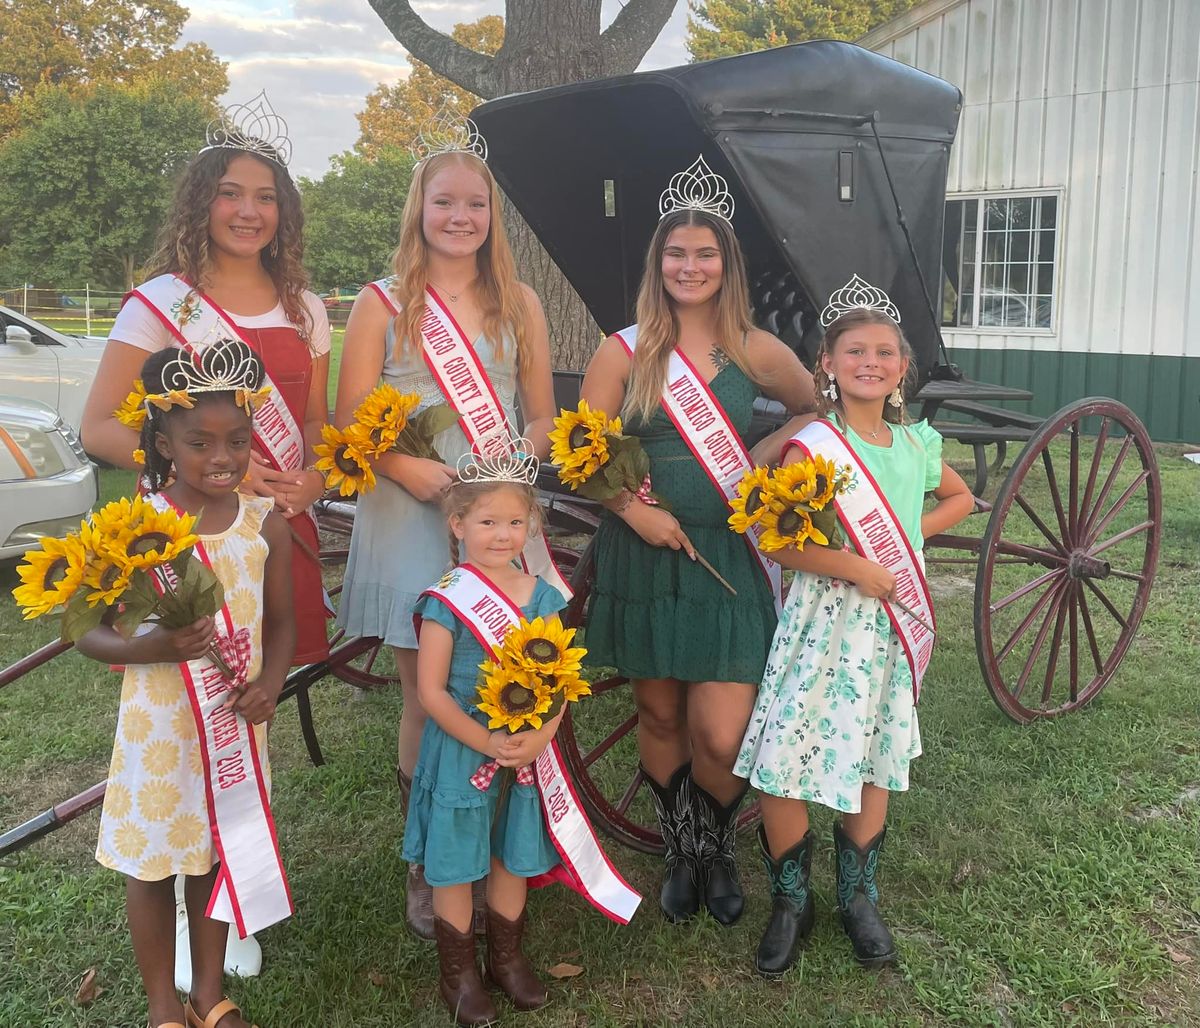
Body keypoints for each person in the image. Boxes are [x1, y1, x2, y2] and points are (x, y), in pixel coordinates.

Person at [333, 122, 560, 938]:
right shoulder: (380, 300)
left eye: (476, 204)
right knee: (426, 697)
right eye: (445, 201)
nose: (460, 216)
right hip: (411, 512)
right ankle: (430, 865)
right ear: (418, 208)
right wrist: (406, 468)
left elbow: (542, 417)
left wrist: (513, 463)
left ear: (492, 216)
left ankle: (505, 839)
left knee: (509, 676)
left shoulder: (520, 303)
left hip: (496, 518)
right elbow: (351, 413)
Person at [580, 155, 816, 926]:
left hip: (729, 555)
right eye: (677, 254)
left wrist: (767, 449)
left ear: (726, 263)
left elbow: (820, 410)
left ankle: (709, 838)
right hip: (646, 553)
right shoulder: (624, 350)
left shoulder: (756, 348)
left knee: (720, 733)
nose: (691, 266)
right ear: (659, 264)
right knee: (658, 716)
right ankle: (692, 853)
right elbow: (581, 451)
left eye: (705, 253)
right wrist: (630, 510)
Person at [734, 282, 974, 976]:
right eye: (855, 351)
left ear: (903, 367)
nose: (871, 361)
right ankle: (790, 900)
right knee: (784, 754)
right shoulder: (812, 445)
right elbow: (777, 540)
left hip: (888, 622)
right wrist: (851, 562)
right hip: (820, 619)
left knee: (876, 751)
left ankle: (857, 896)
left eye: (885, 352)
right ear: (827, 365)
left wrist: (908, 541)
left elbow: (959, 498)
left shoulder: (915, 443)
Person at [78, 339, 296, 1028]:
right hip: (161, 727)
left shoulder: (266, 525)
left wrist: (272, 682)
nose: (223, 457)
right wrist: (155, 646)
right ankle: (162, 1005)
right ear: (164, 446)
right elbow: (84, 631)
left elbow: (284, 624)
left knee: (212, 851)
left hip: (235, 722)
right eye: (198, 443)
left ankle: (208, 991)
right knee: (152, 867)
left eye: (237, 440)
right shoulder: (137, 530)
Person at [80, 92, 331, 668]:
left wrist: (316, 479)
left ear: (283, 212)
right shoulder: (158, 304)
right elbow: (97, 430)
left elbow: (315, 421)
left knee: (262, 683)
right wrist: (220, 468)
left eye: (266, 198)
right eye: (230, 194)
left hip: (278, 524)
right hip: (188, 530)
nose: (249, 211)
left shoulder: (307, 309)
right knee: (181, 685)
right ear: (201, 205)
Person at [402, 470, 566, 1027]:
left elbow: (562, 681)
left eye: (516, 522)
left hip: (524, 749)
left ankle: (507, 958)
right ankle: (460, 974)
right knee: (453, 860)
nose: (503, 534)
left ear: (532, 527)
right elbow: (430, 692)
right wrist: (488, 741)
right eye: (488, 521)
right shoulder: (448, 599)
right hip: (463, 747)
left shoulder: (542, 596)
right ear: (458, 524)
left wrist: (540, 736)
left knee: (509, 850)